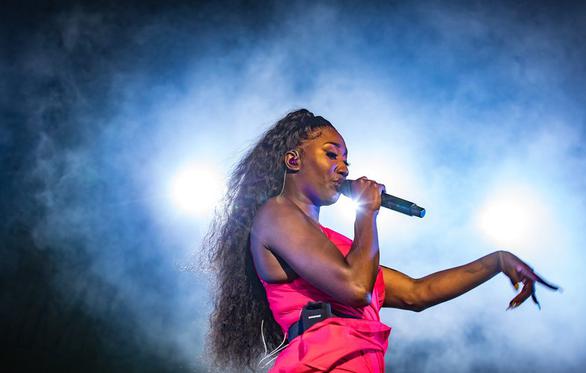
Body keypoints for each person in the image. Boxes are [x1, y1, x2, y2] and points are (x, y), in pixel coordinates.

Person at [207, 109, 558, 372]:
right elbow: (356, 288)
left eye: (346, 159)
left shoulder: (337, 247)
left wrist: (497, 261)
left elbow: (418, 293)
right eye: (332, 154)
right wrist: (366, 213)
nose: (344, 168)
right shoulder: (277, 213)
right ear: (293, 159)